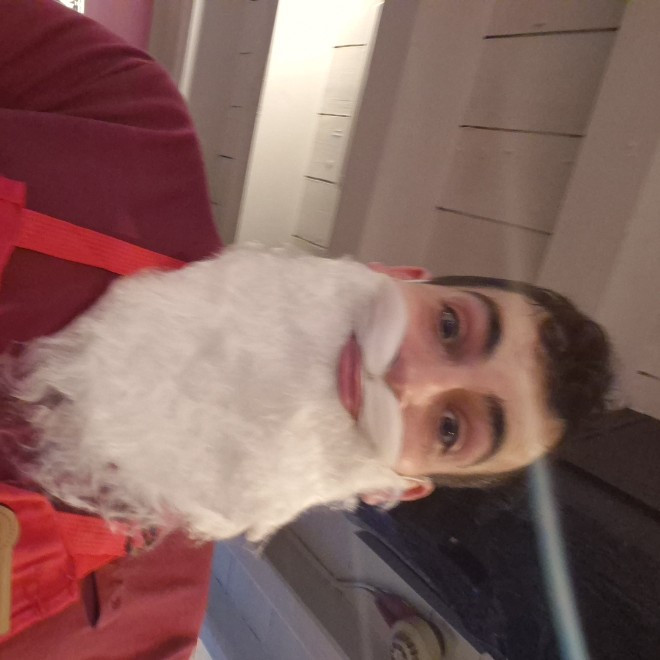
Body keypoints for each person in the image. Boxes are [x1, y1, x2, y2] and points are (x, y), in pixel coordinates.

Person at [0, 0, 613, 656]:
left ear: (397, 484)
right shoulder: (126, 112)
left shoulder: (146, 636)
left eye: (449, 429)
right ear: (395, 275)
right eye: (448, 326)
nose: (409, 378)